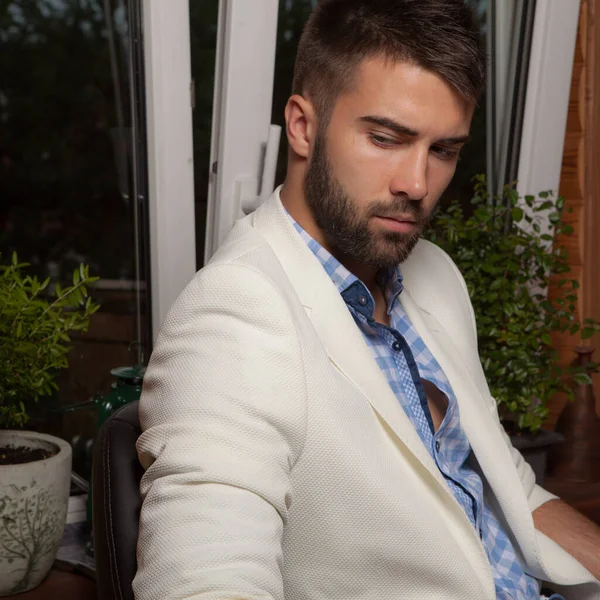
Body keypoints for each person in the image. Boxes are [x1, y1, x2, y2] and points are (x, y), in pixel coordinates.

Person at [133, 1, 600, 598]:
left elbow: (511, 491)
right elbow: (202, 583)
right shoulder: (234, 314)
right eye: (386, 138)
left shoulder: (435, 276)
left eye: (443, 151)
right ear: (303, 126)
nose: (416, 184)